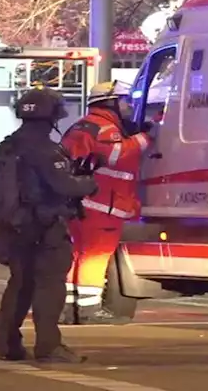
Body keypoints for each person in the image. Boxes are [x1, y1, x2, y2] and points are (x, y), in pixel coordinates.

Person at [0, 87, 98, 363]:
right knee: (50, 285)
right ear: (53, 115)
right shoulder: (46, 150)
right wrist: (88, 182)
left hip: (12, 227)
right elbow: (64, 186)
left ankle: (8, 343)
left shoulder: (8, 146)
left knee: (20, 283)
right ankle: (49, 345)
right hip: (45, 228)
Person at [60, 81, 157, 324]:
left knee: (78, 255)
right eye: (124, 101)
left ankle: (69, 309)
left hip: (82, 204)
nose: (128, 106)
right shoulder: (105, 129)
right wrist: (145, 137)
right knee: (95, 257)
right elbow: (118, 155)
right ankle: (89, 311)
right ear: (110, 102)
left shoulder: (83, 125)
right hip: (103, 206)